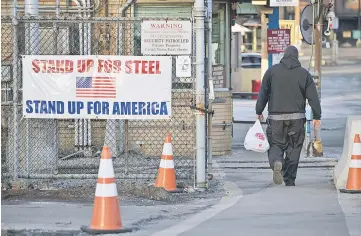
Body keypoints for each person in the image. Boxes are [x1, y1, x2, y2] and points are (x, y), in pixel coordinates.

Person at [255, 46, 321, 186]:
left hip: (276, 119)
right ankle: (289, 179)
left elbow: (263, 93)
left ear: (284, 56)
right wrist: (317, 116)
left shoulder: (272, 72)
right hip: (297, 119)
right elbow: (313, 98)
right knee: (294, 148)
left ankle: (277, 162)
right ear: (296, 57)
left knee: (275, 145)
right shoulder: (304, 74)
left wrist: (259, 111)